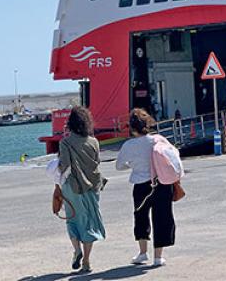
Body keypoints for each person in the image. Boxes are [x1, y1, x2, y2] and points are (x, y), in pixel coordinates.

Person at [116, 108, 176, 267]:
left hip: (141, 185)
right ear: (148, 123)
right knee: (162, 217)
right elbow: (173, 154)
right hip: (162, 182)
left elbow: (119, 166)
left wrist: (132, 165)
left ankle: (143, 253)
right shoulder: (158, 139)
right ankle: (158, 256)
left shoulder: (129, 145)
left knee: (141, 217)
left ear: (132, 127)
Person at [57, 106, 106, 273]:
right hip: (92, 186)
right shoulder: (94, 142)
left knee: (72, 220)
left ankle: (76, 250)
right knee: (89, 222)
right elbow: (97, 162)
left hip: (73, 186)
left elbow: (64, 165)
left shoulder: (65, 142)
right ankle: (86, 260)